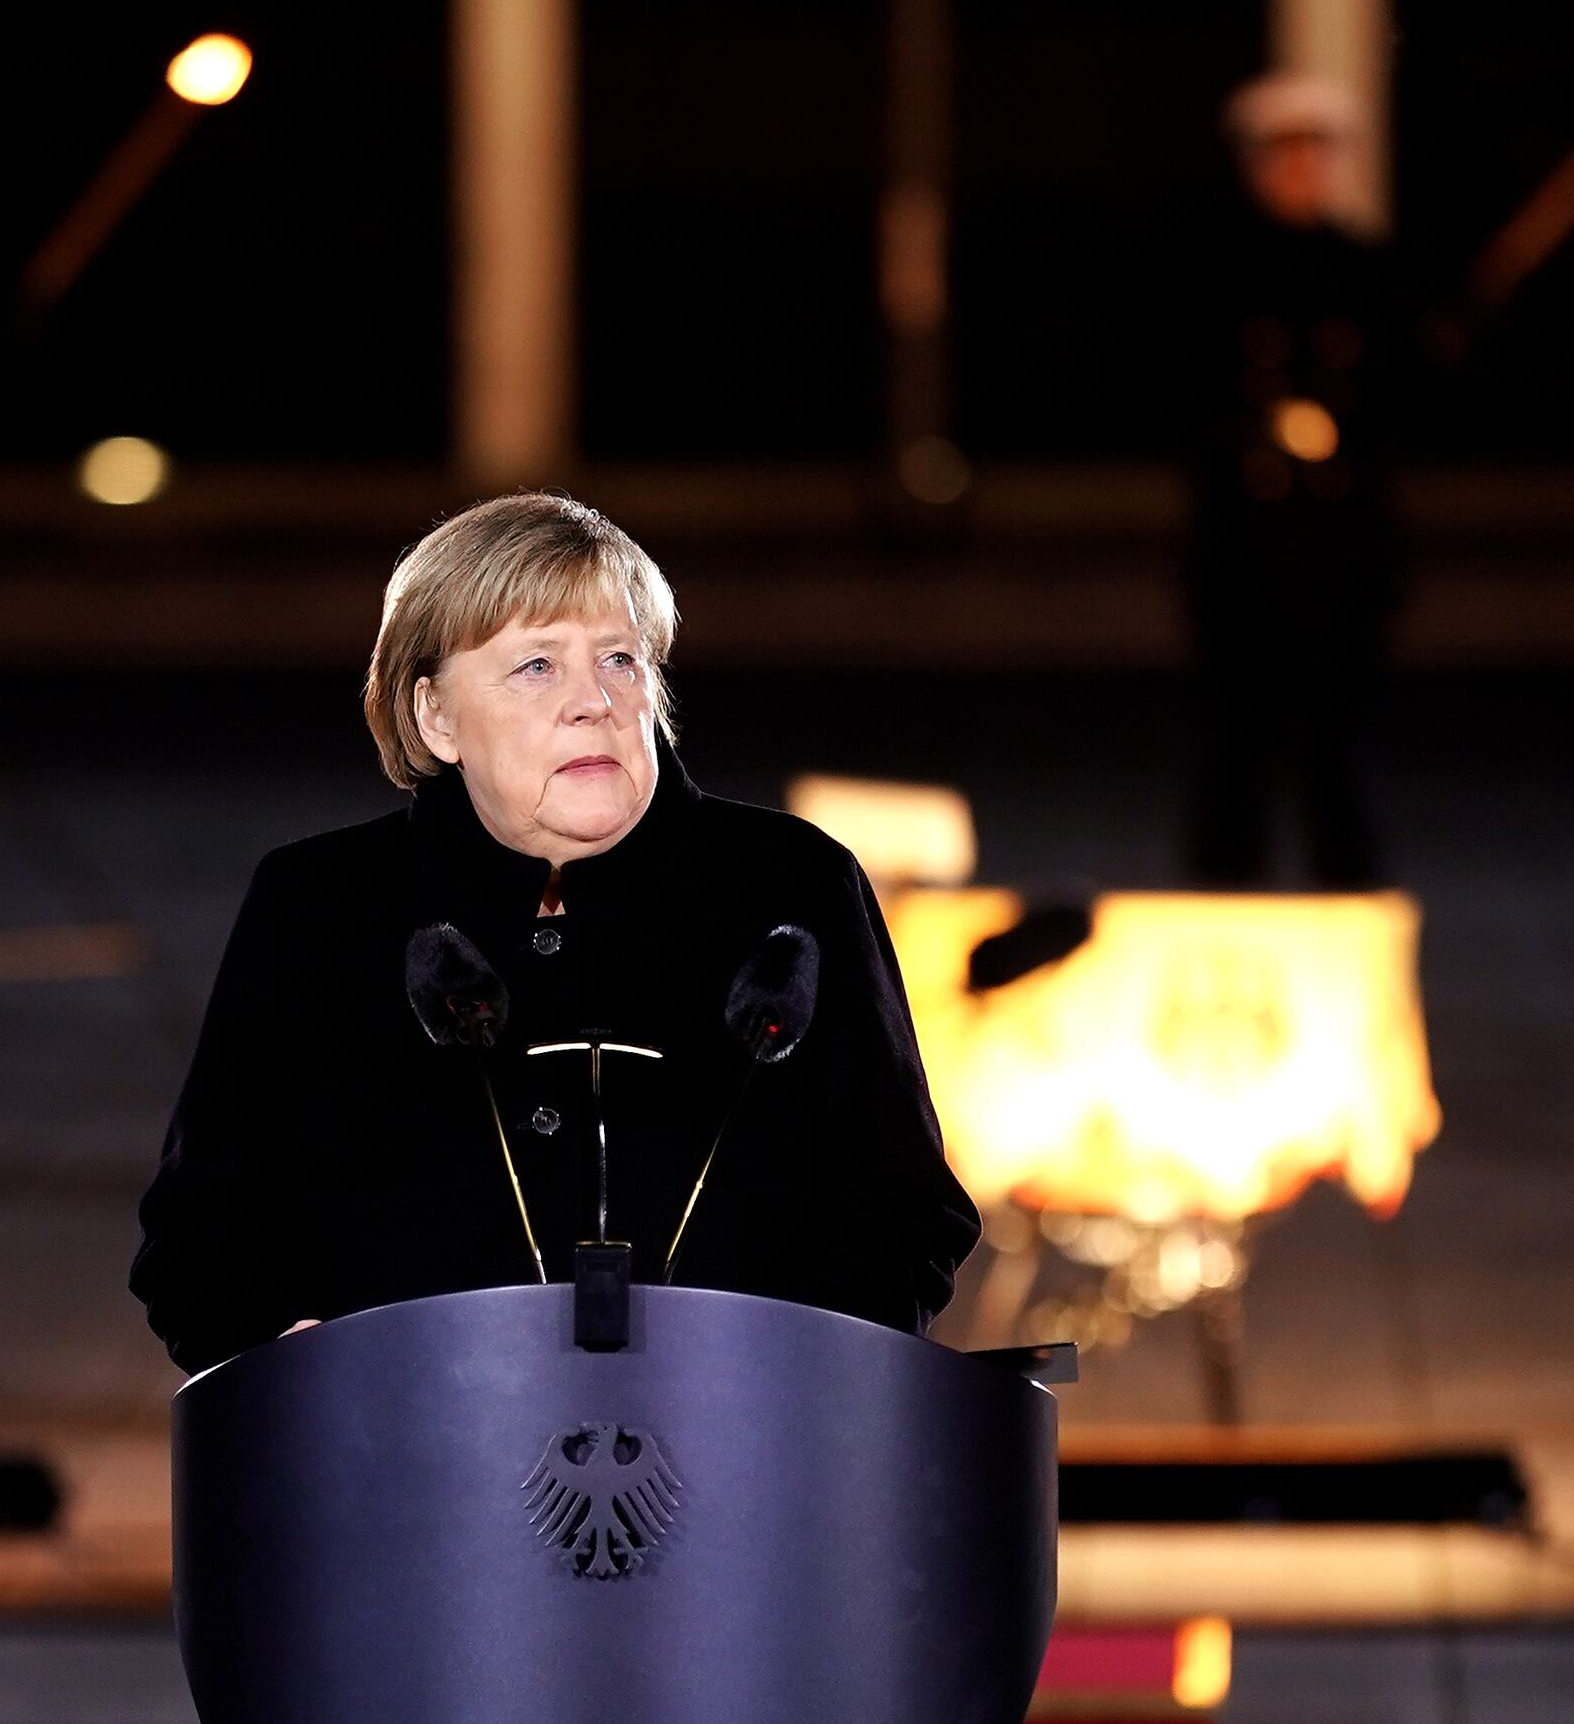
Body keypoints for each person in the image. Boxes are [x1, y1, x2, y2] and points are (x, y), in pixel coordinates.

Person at [130, 493, 980, 1369]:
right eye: (536, 665)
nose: (595, 702)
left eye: (620, 658)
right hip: (407, 1464)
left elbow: (907, 1214)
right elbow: (197, 1241)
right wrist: (307, 1368)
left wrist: (794, 1370)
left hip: (744, 1457)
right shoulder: (317, 905)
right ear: (435, 716)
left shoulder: (793, 885)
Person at [1183, 74, 1414, 891]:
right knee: (1233, 760)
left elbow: (1402, 400)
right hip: (1244, 553)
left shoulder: (1369, 271)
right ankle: (1224, 909)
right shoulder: (1213, 271)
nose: (1303, 172)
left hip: (1342, 556)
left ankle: (1349, 914)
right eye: (1286, 156)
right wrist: (1263, 431)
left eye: (1319, 155)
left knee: (1341, 758)